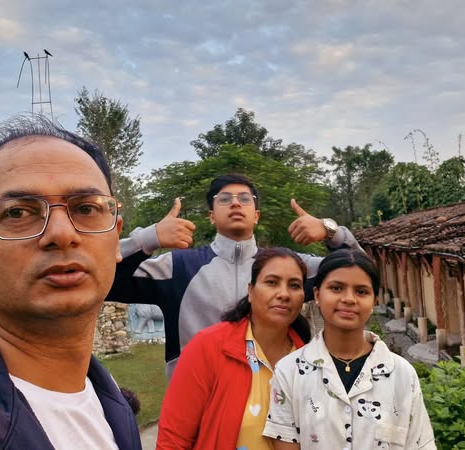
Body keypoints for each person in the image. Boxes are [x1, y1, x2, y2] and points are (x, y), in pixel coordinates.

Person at [0, 115, 141, 449]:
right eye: (17, 212)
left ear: (116, 240)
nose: (61, 233)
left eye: (86, 208)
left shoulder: (109, 401)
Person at [108, 173, 363, 377]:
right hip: (198, 404)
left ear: (256, 215)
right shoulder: (178, 266)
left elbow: (363, 274)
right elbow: (104, 280)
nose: (235, 203)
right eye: (224, 199)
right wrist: (148, 238)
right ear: (211, 216)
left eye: (244, 198)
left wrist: (331, 232)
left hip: (277, 405)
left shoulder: (288, 268)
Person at [263, 249, 436, 449]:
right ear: (317, 295)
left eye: (361, 292)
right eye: (336, 288)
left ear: (374, 301)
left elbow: (420, 443)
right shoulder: (289, 372)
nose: (349, 299)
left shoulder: (403, 374)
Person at [156, 248, 311, 450]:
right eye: (272, 282)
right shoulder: (208, 347)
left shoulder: (309, 362)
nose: (284, 294)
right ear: (251, 291)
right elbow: (172, 440)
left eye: (294, 285)